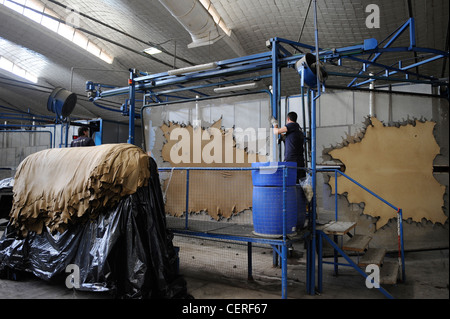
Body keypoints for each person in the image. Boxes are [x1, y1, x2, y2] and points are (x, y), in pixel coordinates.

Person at [272, 111, 306, 182]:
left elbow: (276, 132)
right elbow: (284, 135)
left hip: (291, 160)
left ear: (288, 119)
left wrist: (275, 124)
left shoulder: (291, 125)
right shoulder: (297, 128)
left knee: (290, 182)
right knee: (300, 182)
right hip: (299, 160)